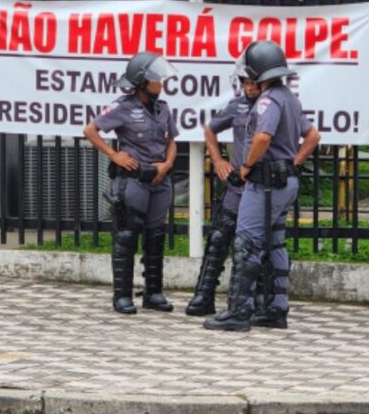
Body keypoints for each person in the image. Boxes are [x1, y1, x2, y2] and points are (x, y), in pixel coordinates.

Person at [204, 40, 321, 331]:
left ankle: (239, 312)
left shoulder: (268, 101)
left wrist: (245, 167)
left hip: (265, 185)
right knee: (275, 242)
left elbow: (262, 138)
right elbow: (313, 137)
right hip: (284, 182)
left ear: (258, 73)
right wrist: (293, 162)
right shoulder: (289, 97)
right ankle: (275, 309)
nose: (246, 80)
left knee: (246, 242)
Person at [84, 51, 179, 314]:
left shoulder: (163, 109)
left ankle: (153, 293)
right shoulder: (123, 107)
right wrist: (114, 154)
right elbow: (90, 130)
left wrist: (167, 164)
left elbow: (172, 141)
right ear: (141, 82)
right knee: (126, 236)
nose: (161, 84)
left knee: (155, 236)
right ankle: (122, 296)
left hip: (160, 180)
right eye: (156, 80)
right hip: (133, 182)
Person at [185, 66, 260, 316]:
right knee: (218, 238)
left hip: (262, 187)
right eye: (246, 82)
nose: (250, 88)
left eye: (254, 82)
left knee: (255, 244)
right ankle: (204, 295)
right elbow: (210, 129)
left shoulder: (275, 105)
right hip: (237, 185)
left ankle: (256, 301)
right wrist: (217, 160)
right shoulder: (237, 105)